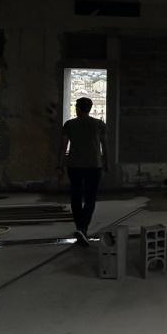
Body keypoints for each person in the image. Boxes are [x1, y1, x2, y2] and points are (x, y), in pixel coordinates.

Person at [58, 97, 108, 244]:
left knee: (76, 196)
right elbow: (105, 147)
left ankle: (80, 227)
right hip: (94, 165)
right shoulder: (99, 124)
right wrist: (107, 163)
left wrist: (59, 164)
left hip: (74, 165)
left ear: (77, 108)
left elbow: (62, 147)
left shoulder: (69, 124)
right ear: (90, 108)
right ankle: (83, 228)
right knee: (90, 198)